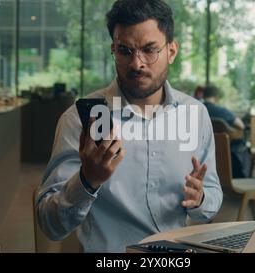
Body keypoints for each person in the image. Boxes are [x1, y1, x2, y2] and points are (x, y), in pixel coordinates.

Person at [36, 0, 222, 253]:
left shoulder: (195, 114)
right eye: (125, 51)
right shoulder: (81, 120)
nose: (136, 64)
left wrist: (199, 199)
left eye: (149, 50)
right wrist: (87, 181)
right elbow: (50, 224)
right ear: (113, 49)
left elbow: (211, 198)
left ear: (172, 51)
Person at [202, 85, 250, 178]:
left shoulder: (197, 110)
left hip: (202, 151)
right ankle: (240, 176)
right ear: (216, 97)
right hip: (224, 151)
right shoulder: (222, 111)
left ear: (204, 96)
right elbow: (241, 125)